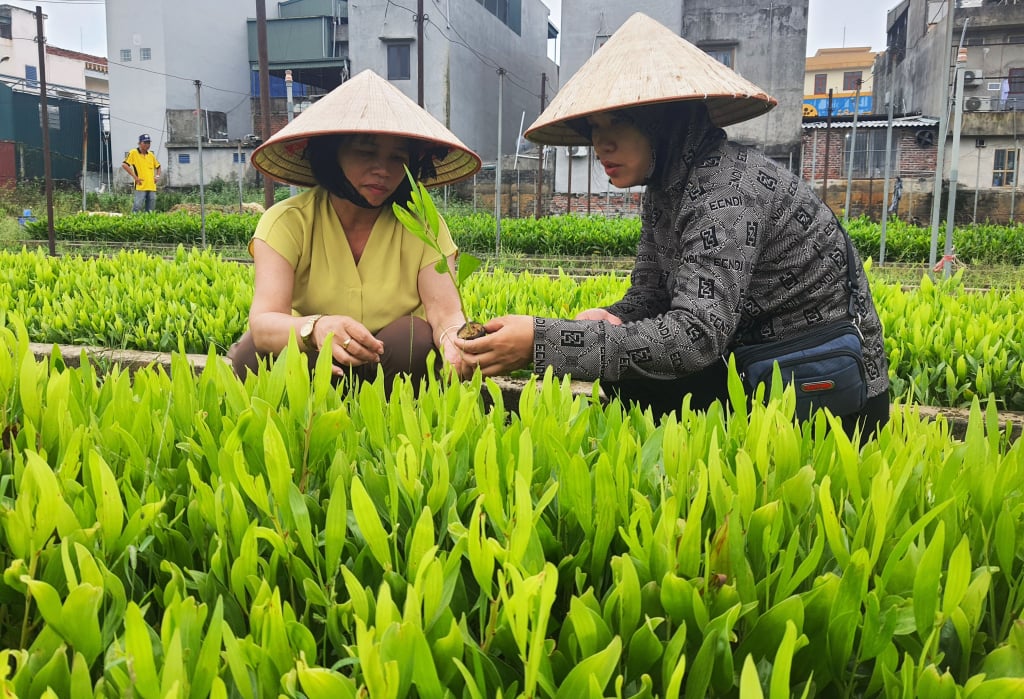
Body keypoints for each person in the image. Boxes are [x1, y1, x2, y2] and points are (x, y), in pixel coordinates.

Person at [455, 12, 890, 439]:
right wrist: (606, 321)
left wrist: (542, 342)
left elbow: (697, 335)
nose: (600, 144)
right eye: (594, 127)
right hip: (752, 363)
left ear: (664, 124)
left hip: (824, 385)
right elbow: (650, 293)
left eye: (618, 123)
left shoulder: (726, 189)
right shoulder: (668, 188)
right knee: (627, 372)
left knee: (632, 372)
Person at [228, 69, 482, 392]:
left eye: (397, 158)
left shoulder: (423, 225)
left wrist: (452, 341)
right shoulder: (288, 222)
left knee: (413, 340)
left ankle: (394, 430)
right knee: (251, 353)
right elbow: (264, 323)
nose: (383, 170)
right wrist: (316, 329)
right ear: (332, 153)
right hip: (318, 364)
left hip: (393, 368)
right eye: (366, 151)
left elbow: (445, 312)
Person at [122, 133, 161, 213]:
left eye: (149, 143)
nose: (147, 145)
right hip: (141, 185)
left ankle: (149, 224)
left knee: (151, 209)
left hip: (151, 186)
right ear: (139, 143)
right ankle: (134, 223)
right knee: (137, 207)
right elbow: (125, 165)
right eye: (145, 143)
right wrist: (135, 177)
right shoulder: (133, 153)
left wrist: (157, 176)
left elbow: (158, 166)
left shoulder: (151, 155)